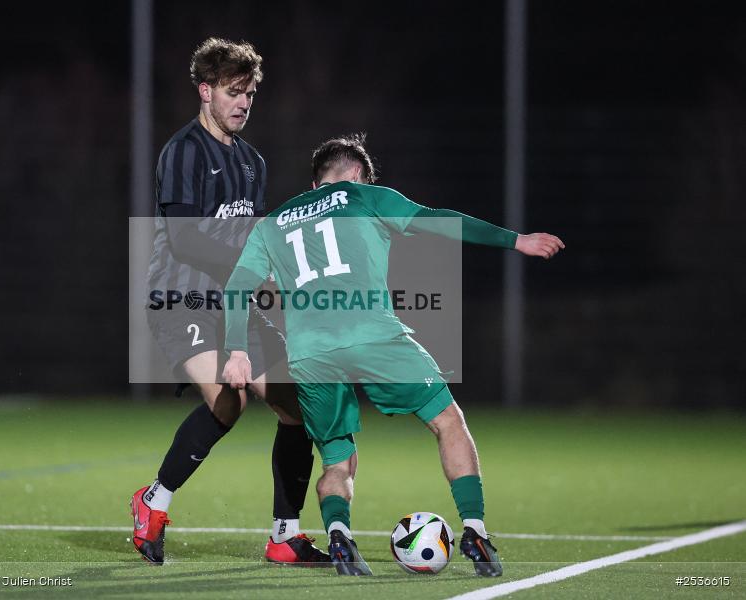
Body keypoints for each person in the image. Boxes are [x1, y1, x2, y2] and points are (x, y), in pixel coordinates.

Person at [222, 134, 564, 576]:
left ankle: (339, 536)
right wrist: (516, 241)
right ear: (357, 174)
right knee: (448, 422)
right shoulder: (365, 196)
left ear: (314, 183)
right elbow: (439, 221)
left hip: (310, 354)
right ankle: (475, 531)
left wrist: (237, 350)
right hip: (374, 336)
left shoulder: (273, 223)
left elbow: (237, 288)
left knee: (338, 460)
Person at [131, 38, 328, 567]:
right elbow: (185, 241)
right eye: (232, 92)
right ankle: (153, 502)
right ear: (205, 91)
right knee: (227, 400)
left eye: (249, 94)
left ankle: (285, 536)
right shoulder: (183, 151)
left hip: (232, 301)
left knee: (296, 407)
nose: (242, 103)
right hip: (181, 298)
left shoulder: (252, 162)